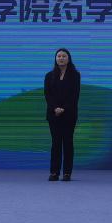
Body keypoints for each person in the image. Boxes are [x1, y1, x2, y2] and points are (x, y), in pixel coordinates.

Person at [44, 48, 81, 181]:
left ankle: (67, 173)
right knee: (56, 143)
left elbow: (74, 95)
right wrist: (55, 108)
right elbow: (48, 95)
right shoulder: (49, 76)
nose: (61, 58)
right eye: (58, 56)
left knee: (68, 142)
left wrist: (64, 108)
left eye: (64, 56)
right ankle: (54, 172)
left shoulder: (75, 75)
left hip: (69, 114)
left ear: (68, 59)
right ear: (55, 59)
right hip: (53, 114)